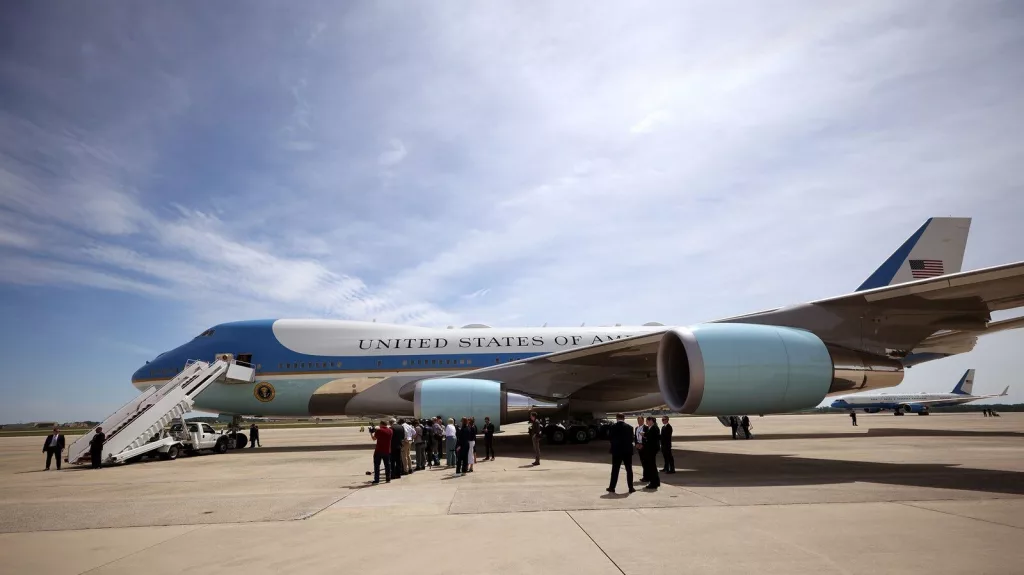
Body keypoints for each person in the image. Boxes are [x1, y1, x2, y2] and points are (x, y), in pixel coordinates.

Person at [607, 413, 636, 493]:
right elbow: (631, 439)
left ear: (617, 418)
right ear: (624, 418)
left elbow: (610, 438)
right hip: (627, 451)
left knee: (615, 470)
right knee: (629, 470)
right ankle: (631, 488)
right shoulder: (630, 427)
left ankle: (612, 487)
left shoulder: (613, 427)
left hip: (616, 451)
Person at [640, 416, 661, 489]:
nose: (646, 423)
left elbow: (652, 437)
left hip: (652, 449)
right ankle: (656, 481)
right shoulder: (652, 427)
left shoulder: (654, 428)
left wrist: (644, 435)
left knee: (652, 466)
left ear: (651, 421)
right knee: (652, 466)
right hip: (651, 449)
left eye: (647, 421)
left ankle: (653, 483)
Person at [636, 416, 647, 481]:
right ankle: (645, 476)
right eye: (638, 420)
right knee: (642, 462)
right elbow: (636, 437)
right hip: (638, 446)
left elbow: (647, 437)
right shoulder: (636, 428)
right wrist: (636, 444)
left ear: (643, 421)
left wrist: (643, 445)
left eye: (640, 420)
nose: (639, 422)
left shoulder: (646, 428)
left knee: (645, 462)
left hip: (644, 447)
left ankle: (646, 477)